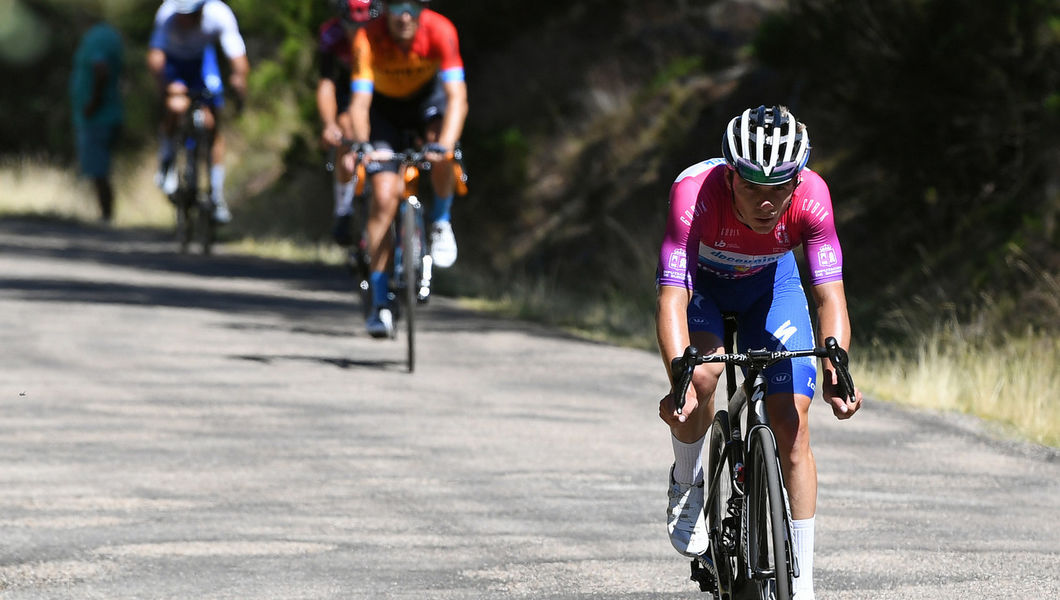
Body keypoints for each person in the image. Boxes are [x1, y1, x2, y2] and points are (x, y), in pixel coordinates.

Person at [655, 105, 864, 599]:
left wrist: (837, 365)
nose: (766, 203)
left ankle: (804, 584)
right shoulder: (693, 194)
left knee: (792, 426)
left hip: (770, 290)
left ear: (797, 179)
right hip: (703, 290)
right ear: (730, 177)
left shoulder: (813, 198)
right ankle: (688, 481)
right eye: (752, 188)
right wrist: (679, 379)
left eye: (778, 190)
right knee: (701, 382)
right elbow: (672, 295)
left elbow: (830, 296)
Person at [343, 0, 468, 338]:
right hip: (384, 113)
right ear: (384, 9)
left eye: (412, 5)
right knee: (383, 196)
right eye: (396, 5)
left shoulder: (440, 30)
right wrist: (364, 144)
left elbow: (457, 97)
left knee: (444, 152)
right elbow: (359, 102)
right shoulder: (367, 37)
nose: (405, 14)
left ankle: (440, 222)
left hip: (428, 104)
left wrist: (446, 144)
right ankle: (380, 302)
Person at [147, 0, 249, 225]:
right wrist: (165, 86)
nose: (183, 19)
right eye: (180, 13)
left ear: (202, 10)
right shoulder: (166, 14)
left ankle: (216, 193)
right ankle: (167, 161)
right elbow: (155, 56)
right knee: (175, 107)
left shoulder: (219, 14)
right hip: (174, 63)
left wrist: (239, 81)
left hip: (202, 62)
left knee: (212, 123)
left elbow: (237, 57)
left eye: (190, 14)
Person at [317, 0, 378, 247]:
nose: (358, 31)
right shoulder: (331, 35)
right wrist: (329, 123)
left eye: (365, 24)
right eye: (351, 25)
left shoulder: (385, 33)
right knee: (346, 130)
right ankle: (344, 209)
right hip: (347, 90)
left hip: (380, 89)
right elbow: (326, 82)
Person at [70, 19, 124, 222]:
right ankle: (104, 214)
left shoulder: (98, 37)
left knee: (99, 169)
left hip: (99, 116)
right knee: (98, 168)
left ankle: (106, 216)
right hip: (105, 114)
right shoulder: (109, 35)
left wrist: (94, 102)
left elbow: (101, 69)